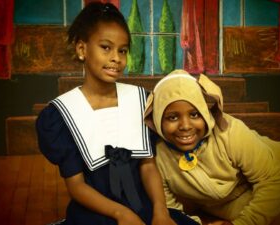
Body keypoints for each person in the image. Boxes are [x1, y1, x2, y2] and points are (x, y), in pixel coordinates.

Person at [36, 3, 200, 225]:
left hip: (143, 206)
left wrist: (160, 212)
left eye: (122, 50)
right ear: (82, 49)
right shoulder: (62, 114)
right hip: (97, 212)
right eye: (106, 47)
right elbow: (77, 186)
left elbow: (148, 166)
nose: (116, 58)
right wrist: (121, 214)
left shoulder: (140, 100)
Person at [144, 69, 280, 225]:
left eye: (194, 114)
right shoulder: (159, 160)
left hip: (271, 162)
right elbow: (172, 211)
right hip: (230, 199)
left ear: (204, 112)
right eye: (173, 117)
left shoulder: (230, 132)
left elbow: (273, 180)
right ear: (157, 119)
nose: (185, 126)